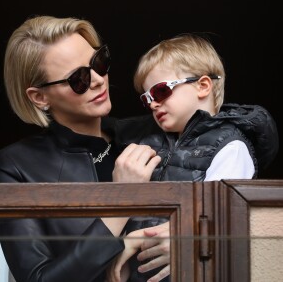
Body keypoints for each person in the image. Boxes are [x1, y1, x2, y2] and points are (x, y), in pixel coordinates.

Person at [0, 15, 162, 282]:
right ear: (39, 97)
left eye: (99, 63)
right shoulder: (15, 166)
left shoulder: (151, 132)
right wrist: (121, 202)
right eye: (78, 79)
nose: (97, 80)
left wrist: (182, 238)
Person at [106, 33, 279, 282]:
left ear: (203, 86)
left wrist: (135, 239)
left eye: (161, 90)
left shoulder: (231, 146)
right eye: (147, 98)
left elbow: (215, 218)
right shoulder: (149, 142)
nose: (153, 103)